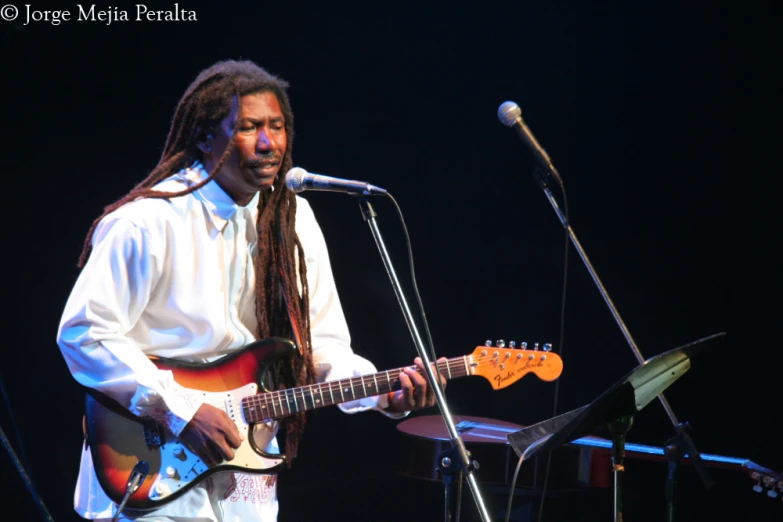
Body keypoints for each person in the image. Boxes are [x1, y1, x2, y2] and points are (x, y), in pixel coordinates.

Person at [56, 59, 446, 522]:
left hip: (249, 470)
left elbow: (320, 346)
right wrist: (181, 410)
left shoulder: (293, 218)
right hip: (153, 465)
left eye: (277, 127)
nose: (269, 143)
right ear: (204, 137)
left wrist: (383, 394)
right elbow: (85, 334)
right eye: (248, 127)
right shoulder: (146, 223)